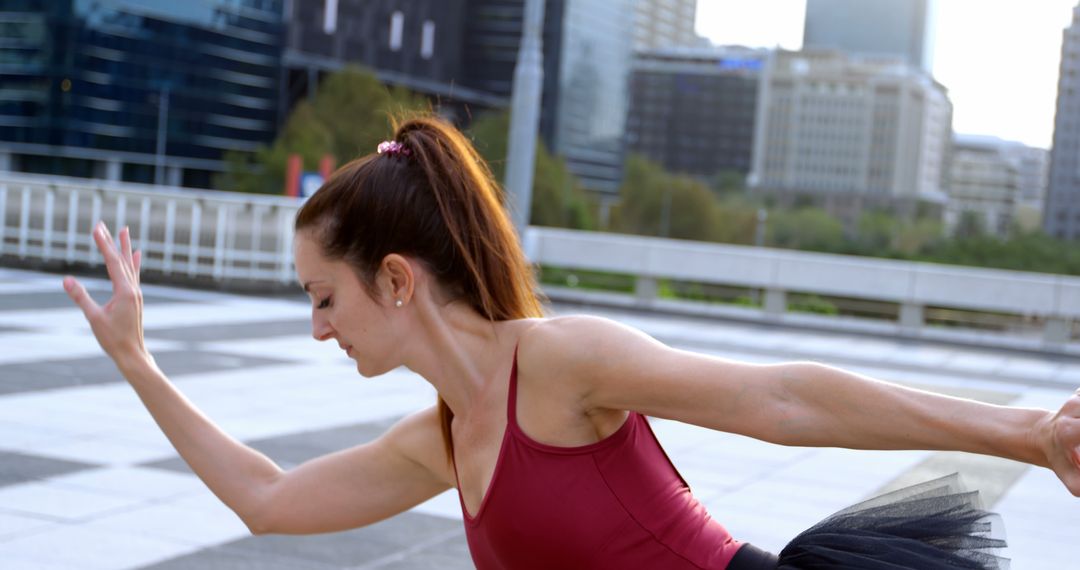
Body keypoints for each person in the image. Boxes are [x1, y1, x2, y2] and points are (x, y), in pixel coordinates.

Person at [63, 115, 1079, 569]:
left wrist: (1033, 433)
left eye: (324, 297)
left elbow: (783, 399)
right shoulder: (444, 437)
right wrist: (137, 362)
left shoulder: (556, 364)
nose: (317, 326)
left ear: (398, 280)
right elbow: (269, 502)